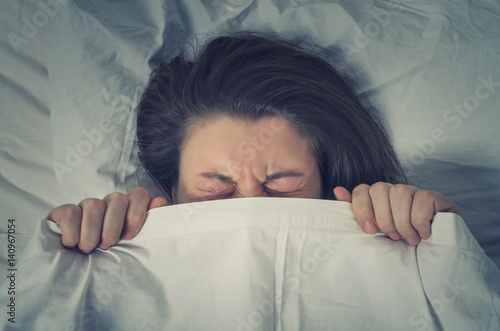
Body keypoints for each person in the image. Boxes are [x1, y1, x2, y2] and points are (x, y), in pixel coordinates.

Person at [46, 32, 459, 254]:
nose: (248, 200)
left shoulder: (392, 243)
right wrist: (66, 249)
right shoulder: (117, 251)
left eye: (282, 181)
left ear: (326, 185)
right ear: (172, 191)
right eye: (216, 184)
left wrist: (439, 235)